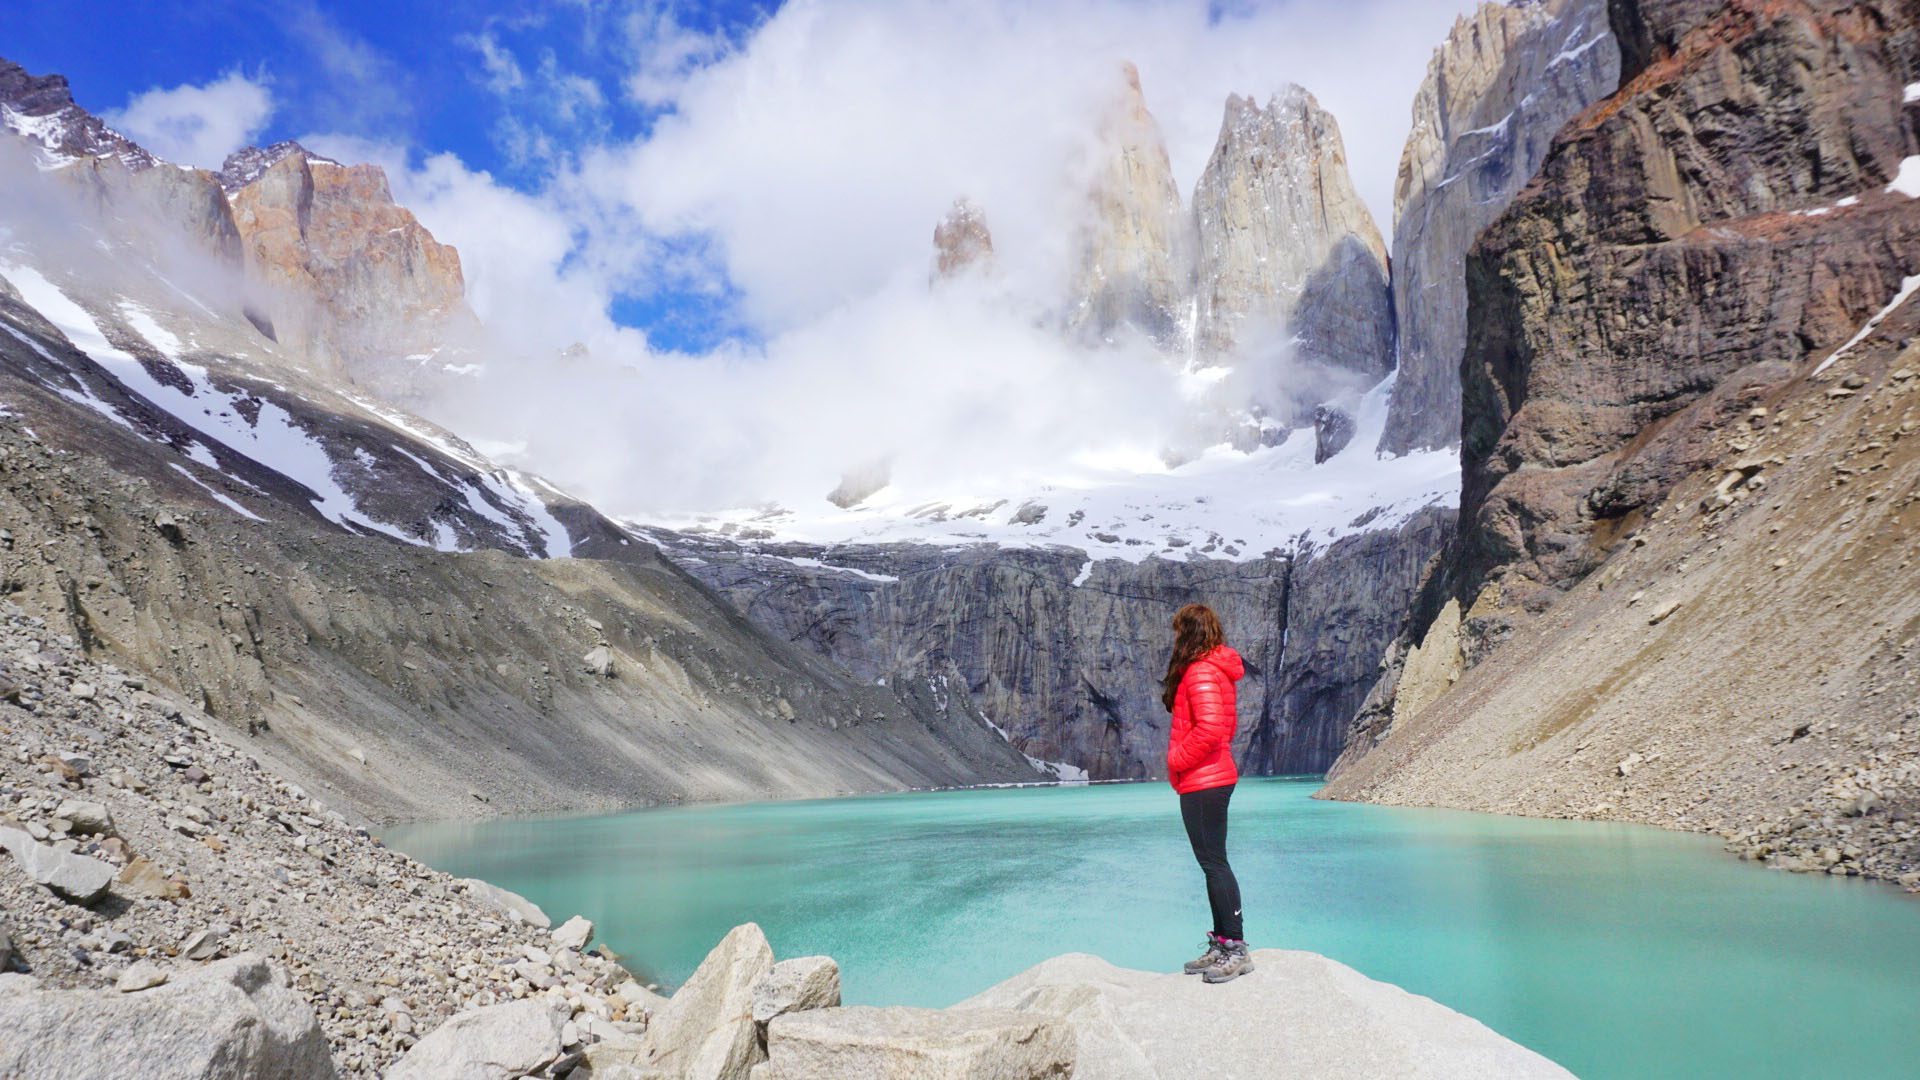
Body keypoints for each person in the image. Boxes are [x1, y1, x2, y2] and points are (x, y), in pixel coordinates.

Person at [1163, 602, 1251, 983]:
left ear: (1189, 633)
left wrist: (1176, 760)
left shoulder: (1199, 672)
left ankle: (1235, 948)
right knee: (1212, 862)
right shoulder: (1213, 669)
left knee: (1214, 863)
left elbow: (1211, 729)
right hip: (1212, 777)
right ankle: (1222, 942)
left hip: (1205, 779)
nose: (1175, 639)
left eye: (1178, 631)